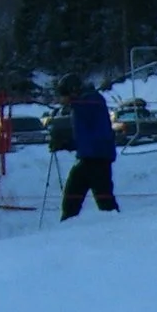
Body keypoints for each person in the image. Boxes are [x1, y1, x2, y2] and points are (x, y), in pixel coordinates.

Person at [57, 76, 119, 217]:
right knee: (72, 196)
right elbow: (85, 133)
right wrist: (68, 143)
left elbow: (92, 128)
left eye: (64, 95)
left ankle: (116, 224)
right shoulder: (81, 105)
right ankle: (67, 226)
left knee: (104, 198)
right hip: (88, 157)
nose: (62, 100)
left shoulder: (90, 100)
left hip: (99, 157)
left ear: (73, 91)